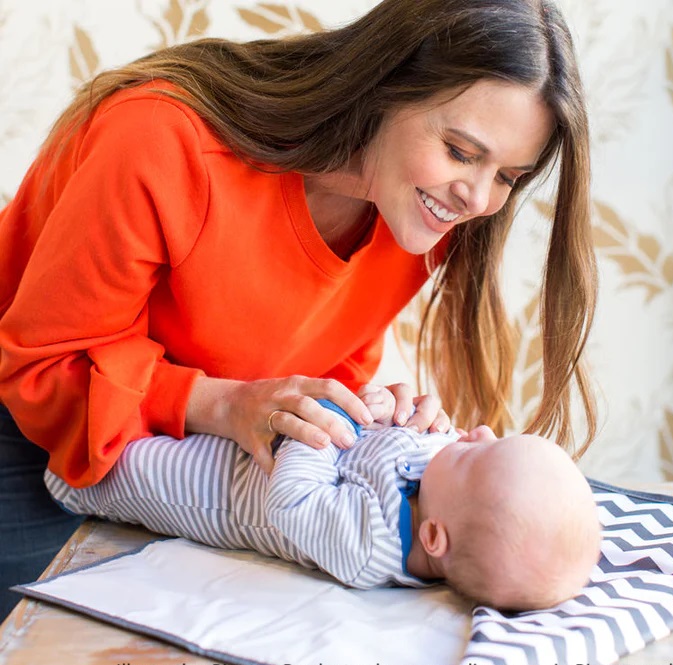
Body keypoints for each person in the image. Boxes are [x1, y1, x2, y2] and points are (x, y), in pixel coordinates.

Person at [0, 0, 598, 619]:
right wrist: (223, 404)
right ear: (386, 86)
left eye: (508, 176)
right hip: (33, 431)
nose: (477, 198)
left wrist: (357, 410)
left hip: (188, 472)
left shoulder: (422, 209)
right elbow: (41, 368)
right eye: (459, 150)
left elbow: (322, 352)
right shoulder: (160, 139)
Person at [45, 392, 601, 610]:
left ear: (435, 539)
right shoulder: (442, 484)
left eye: (480, 456)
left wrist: (325, 426)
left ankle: (63, 480)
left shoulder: (373, 548)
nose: (476, 431)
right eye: (496, 436)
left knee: (121, 466)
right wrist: (385, 406)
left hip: (210, 488)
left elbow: (291, 503)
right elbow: (390, 431)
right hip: (258, 434)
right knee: (136, 407)